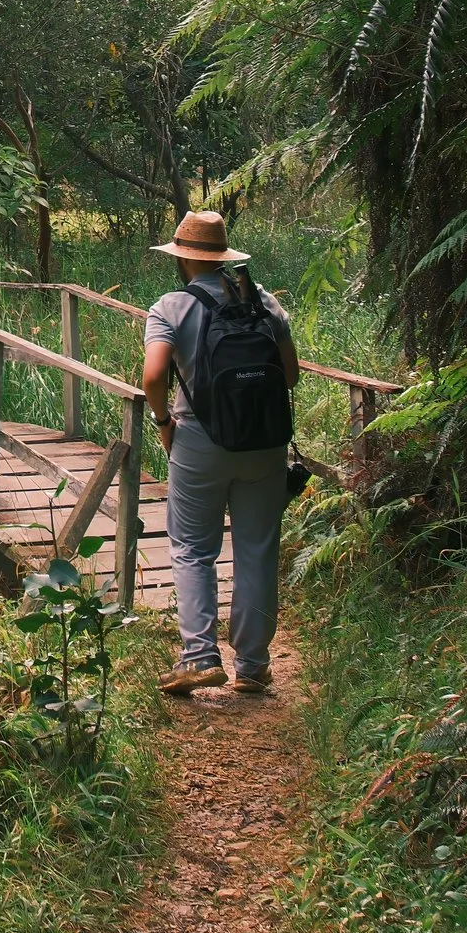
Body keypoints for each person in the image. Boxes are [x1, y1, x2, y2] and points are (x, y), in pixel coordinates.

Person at [140, 210, 301, 697]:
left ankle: (200, 657)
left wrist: (165, 423)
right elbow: (290, 375)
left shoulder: (169, 307)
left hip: (199, 441)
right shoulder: (265, 302)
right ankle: (252, 666)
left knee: (193, 548)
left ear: (183, 258)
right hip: (264, 445)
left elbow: (153, 378)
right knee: (256, 550)